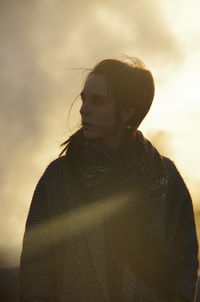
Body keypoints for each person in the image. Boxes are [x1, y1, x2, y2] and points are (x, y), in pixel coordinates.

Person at [19, 57, 199, 302]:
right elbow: (35, 268)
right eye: (84, 99)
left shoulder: (164, 177)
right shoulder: (59, 178)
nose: (84, 109)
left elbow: (185, 260)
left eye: (98, 101)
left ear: (127, 111)